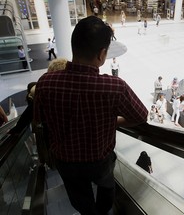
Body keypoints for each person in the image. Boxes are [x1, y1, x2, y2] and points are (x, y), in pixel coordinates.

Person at [34, 16, 148, 215]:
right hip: (100, 161)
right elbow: (141, 115)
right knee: (106, 187)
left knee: (80, 199)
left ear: (73, 46)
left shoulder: (45, 83)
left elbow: (38, 120)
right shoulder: (114, 87)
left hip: (65, 160)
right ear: (102, 54)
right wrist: (113, 122)